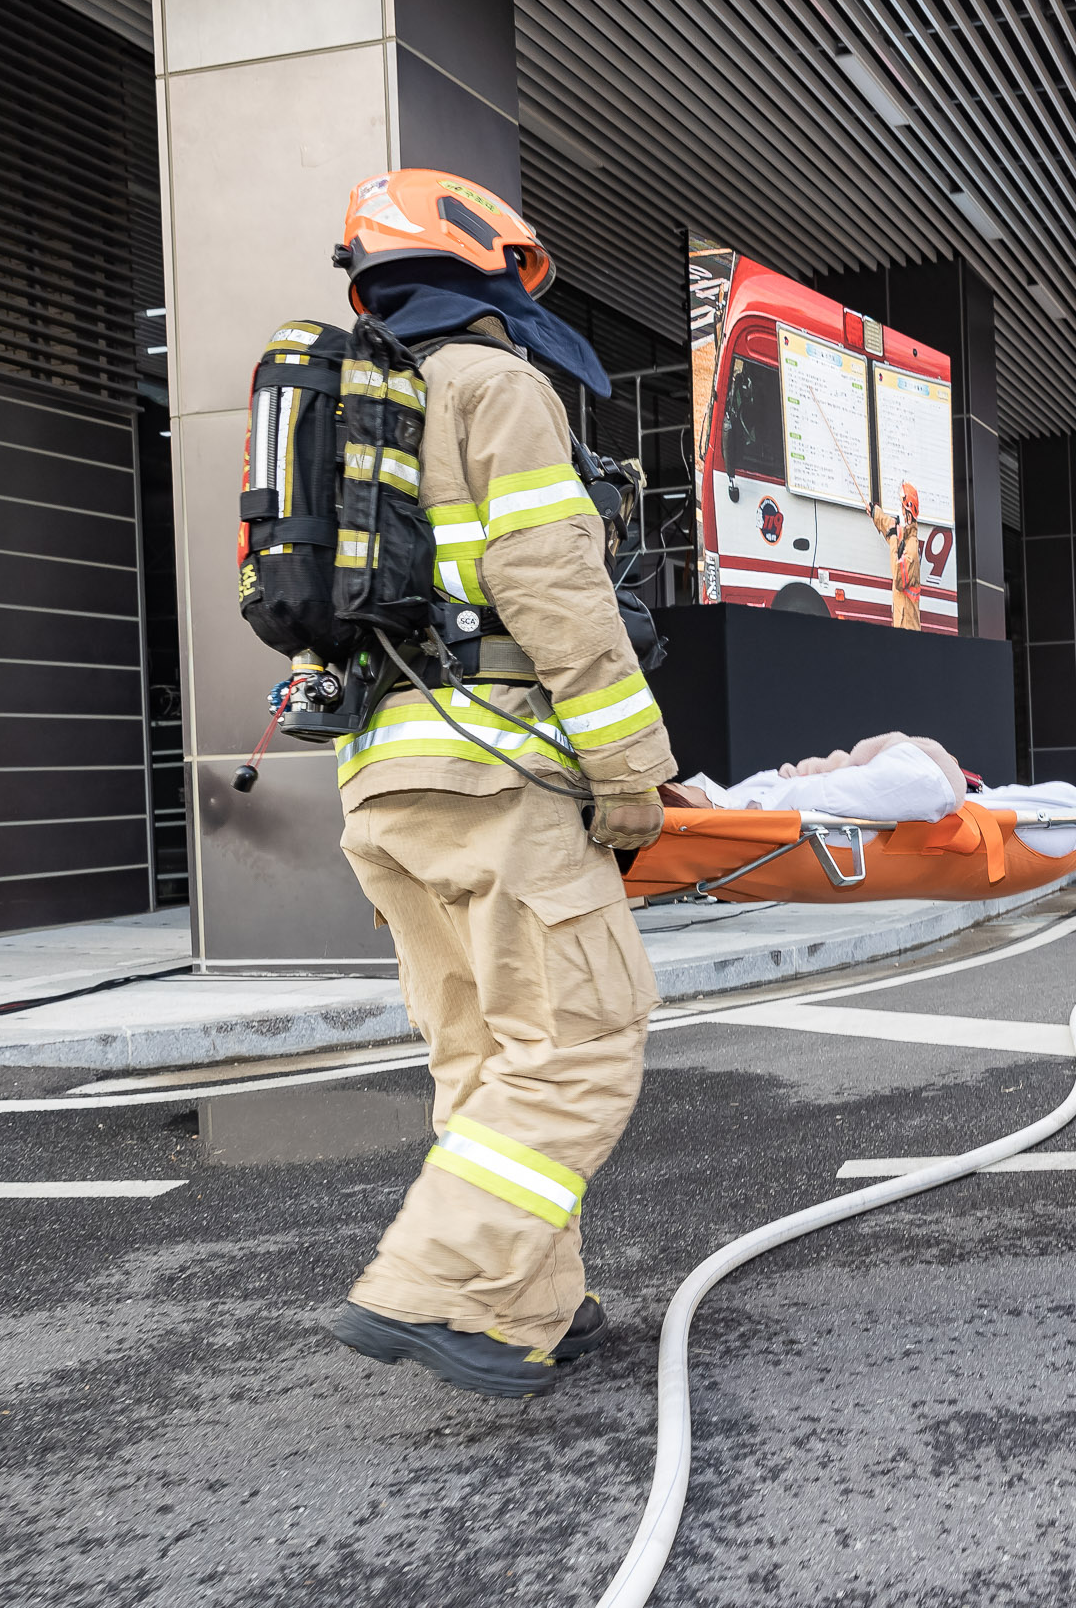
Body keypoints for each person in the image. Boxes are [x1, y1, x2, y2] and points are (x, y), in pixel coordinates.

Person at [321, 170, 676, 1398]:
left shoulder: (344, 411)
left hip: (382, 781)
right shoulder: (493, 383)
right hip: (497, 763)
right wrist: (632, 770)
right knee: (583, 1037)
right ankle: (432, 1287)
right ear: (490, 266)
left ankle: (528, 1305)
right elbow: (556, 588)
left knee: (485, 1053)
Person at [870, 481, 926, 628]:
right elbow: (891, 528)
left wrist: (894, 539)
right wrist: (876, 514)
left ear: (908, 513)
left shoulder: (912, 550)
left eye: (902, 506)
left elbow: (898, 577)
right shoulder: (907, 536)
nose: (900, 509)